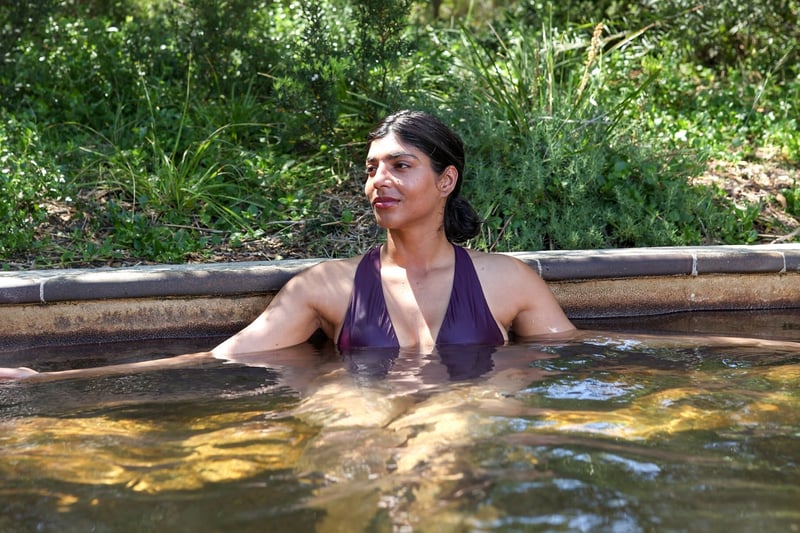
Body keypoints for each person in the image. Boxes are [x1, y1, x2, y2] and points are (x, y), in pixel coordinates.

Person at [0, 110, 576, 381]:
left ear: (445, 180)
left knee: (449, 445)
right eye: (372, 168)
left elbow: (576, 356)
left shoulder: (508, 281)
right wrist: (49, 380)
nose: (380, 181)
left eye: (402, 166)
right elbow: (224, 356)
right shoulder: (329, 286)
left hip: (464, 422)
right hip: (363, 422)